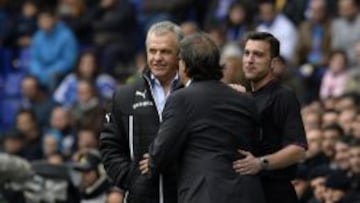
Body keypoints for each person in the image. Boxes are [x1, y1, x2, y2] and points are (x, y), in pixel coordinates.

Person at [141, 33, 266, 203]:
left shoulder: (181, 99)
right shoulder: (245, 98)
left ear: (184, 65)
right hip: (248, 193)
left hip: (205, 193)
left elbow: (164, 149)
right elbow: (255, 144)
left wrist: (153, 162)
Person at [99, 21, 183, 203]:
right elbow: (109, 145)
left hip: (186, 195)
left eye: (165, 51)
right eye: (152, 51)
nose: (157, 57)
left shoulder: (193, 92)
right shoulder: (125, 95)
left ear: (179, 55)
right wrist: (131, 179)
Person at [232, 32, 307, 203]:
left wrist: (260, 163)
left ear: (273, 63)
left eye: (258, 55)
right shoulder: (245, 96)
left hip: (275, 193)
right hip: (248, 191)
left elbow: (298, 150)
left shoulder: (283, 96)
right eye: (247, 53)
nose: (250, 60)